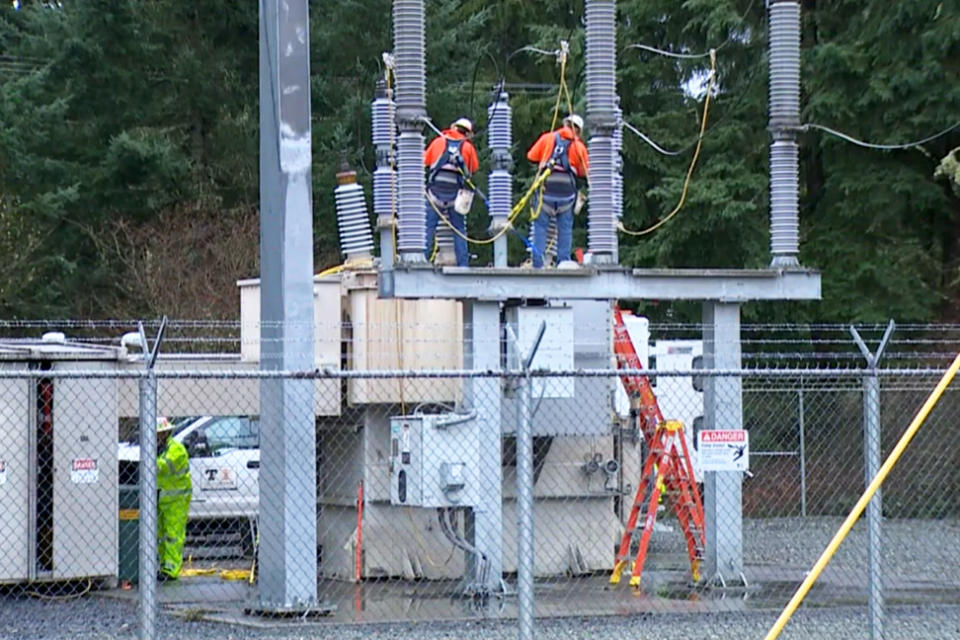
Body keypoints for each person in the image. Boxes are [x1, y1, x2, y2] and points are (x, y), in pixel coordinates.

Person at [526, 114, 589, 268]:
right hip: (566, 195)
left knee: (540, 228)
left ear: (564, 124)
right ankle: (563, 263)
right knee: (565, 229)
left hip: (546, 192)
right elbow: (584, 172)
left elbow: (531, 156)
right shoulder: (579, 147)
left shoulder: (547, 139)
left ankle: (538, 264)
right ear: (578, 131)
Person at [424, 117, 479, 266]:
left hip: (434, 195)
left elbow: (426, 161)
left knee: (429, 229)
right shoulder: (467, 147)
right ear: (467, 133)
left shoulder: (438, 142)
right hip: (456, 197)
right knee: (459, 230)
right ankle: (463, 266)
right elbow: (473, 169)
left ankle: (421, 262)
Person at [156, 416, 191, 581]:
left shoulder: (176, 449)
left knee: (173, 535)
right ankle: (164, 566)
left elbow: (161, 466)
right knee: (161, 535)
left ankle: (171, 569)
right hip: (161, 498)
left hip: (177, 500)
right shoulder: (158, 448)